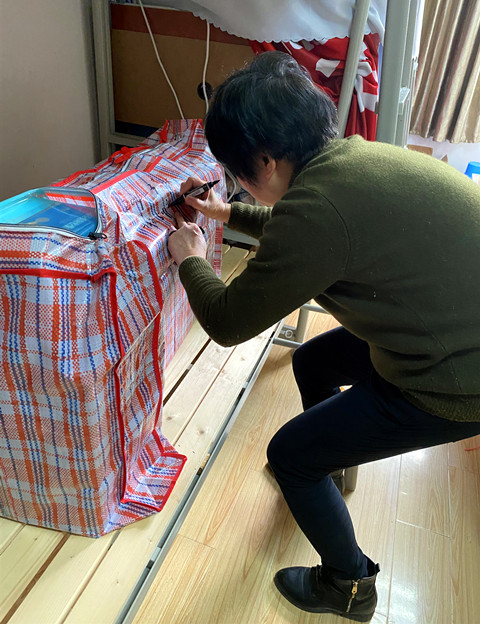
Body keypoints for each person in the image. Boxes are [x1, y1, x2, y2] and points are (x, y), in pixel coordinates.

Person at [167, 51, 480, 622]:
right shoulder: (350, 161)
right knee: (312, 362)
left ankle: (349, 586)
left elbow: (228, 321)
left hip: (455, 380)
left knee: (288, 456)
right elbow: (306, 228)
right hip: (449, 332)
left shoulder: (318, 211)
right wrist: (226, 214)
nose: (237, 184)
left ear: (265, 161)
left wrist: (190, 258)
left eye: (237, 174)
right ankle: (328, 466)